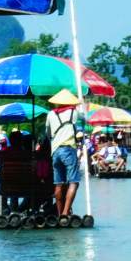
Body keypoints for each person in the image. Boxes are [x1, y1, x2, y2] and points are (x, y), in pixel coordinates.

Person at [45, 90, 83, 218]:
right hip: (68, 149)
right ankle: (66, 213)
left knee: (59, 183)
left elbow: (48, 134)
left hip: (55, 151)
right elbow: (83, 121)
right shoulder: (74, 113)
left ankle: (60, 214)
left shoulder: (50, 114)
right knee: (74, 181)